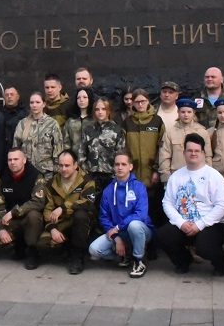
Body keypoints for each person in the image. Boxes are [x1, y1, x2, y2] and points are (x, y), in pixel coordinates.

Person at [159, 133, 224, 275]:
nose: (193, 153)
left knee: (204, 246)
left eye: (197, 151)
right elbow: (167, 202)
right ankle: (184, 261)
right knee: (163, 235)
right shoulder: (176, 176)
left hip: (212, 223)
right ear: (184, 152)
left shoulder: (214, 176)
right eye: (190, 150)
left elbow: (222, 206)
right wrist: (180, 223)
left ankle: (221, 263)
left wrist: (200, 225)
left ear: (203, 153)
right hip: (184, 223)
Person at [88, 153, 154, 278]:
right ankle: (124, 256)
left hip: (141, 231)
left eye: (123, 164)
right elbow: (104, 217)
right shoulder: (108, 190)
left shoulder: (139, 187)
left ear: (130, 167)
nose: (120, 167)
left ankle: (139, 260)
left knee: (134, 225)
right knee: (94, 250)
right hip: (118, 233)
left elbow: (140, 214)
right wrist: (117, 238)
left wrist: (118, 227)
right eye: (117, 164)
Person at [0, 148, 46, 269]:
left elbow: (38, 202)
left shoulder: (36, 176)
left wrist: (14, 212)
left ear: (24, 160)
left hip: (30, 219)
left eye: (16, 159)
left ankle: (32, 251)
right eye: (10, 160)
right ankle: (18, 245)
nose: (12, 162)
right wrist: (1, 228)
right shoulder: (4, 177)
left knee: (33, 216)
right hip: (11, 221)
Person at [38, 150, 97, 274]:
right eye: (61, 165)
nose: (63, 169)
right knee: (43, 242)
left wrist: (63, 207)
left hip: (82, 223)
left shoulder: (87, 180)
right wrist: (52, 228)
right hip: (61, 223)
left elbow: (88, 202)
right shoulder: (52, 183)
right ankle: (64, 247)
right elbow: (48, 209)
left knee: (80, 215)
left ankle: (77, 257)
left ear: (75, 165)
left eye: (67, 165)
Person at [124, 88, 165, 225]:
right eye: (137, 102)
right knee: (133, 208)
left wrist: (156, 169)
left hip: (151, 175)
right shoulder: (127, 122)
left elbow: (162, 147)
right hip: (133, 174)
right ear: (133, 104)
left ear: (148, 102)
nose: (140, 104)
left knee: (152, 208)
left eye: (143, 101)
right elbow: (123, 148)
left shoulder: (157, 121)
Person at [11, 91, 63, 179]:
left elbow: (58, 149)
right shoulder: (23, 123)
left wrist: (57, 170)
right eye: (32, 102)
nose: (34, 105)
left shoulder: (52, 124)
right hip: (27, 171)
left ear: (44, 104)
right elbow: (16, 149)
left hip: (46, 173)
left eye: (38, 102)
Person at [158, 98, 209, 184]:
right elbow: (164, 156)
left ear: (194, 113)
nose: (186, 115)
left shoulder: (202, 132)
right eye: (183, 112)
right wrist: (166, 178)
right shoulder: (170, 132)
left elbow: (207, 156)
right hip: (176, 176)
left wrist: (207, 176)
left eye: (189, 112)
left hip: (198, 177)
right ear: (178, 113)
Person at [79, 98, 126, 192]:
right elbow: (82, 153)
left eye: (103, 109)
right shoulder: (88, 130)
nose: (100, 112)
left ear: (109, 111)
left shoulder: (117, 130)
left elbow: (120, 154)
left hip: (110, 175)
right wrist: (85, 171)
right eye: (97, 109)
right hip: (91, 174)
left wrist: (116, 173)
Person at [62, 87, 95, 154]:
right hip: (73, 159)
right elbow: (66, 143)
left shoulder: (95, 120)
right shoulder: (70, 121)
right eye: (78, 98)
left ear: (90, 99)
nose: (81, 100)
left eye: (85, 97)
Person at [0, 85, 28, 150]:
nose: (9, 96)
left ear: (18, 97)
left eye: (12, 94)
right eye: (7, 95)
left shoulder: (26, 115)